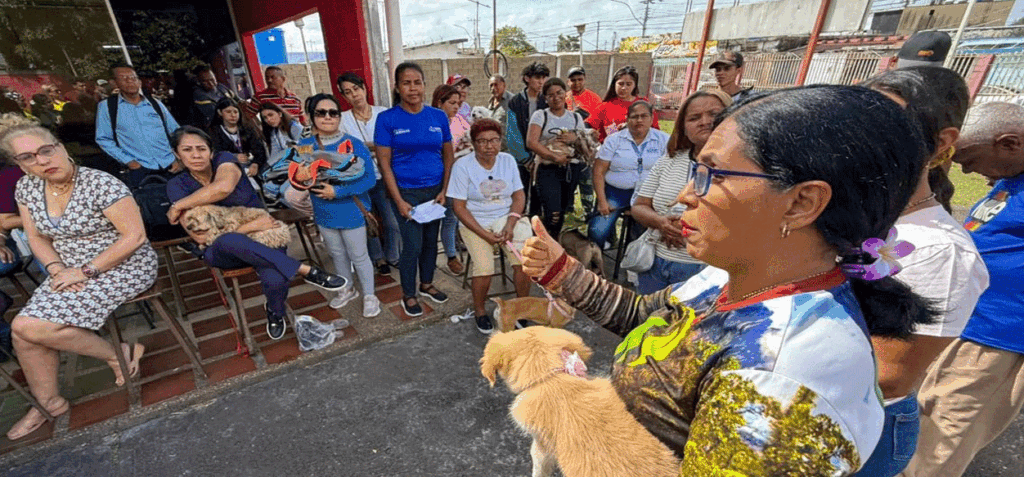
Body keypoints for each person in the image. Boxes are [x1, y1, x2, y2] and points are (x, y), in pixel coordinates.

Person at [519, 85, 939, 475]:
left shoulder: (779, 384)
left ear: (801, 202)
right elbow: (645, 314)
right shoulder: (737, 275)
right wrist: (562, 270)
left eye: (713, 175)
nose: (685, 195)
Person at [855, 67, 989, 477]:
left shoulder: (942, 252)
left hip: (862, 425)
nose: (861, 139)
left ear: (941, 144)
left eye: (886, 125)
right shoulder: (852, 215)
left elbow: (890, 377)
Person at [2, 124, 158, 441]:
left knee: (30, 326)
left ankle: (117, 354)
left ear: (60, 147)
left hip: (123, 263)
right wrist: (57, 268)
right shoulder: (27, 187)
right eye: (28, 157)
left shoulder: (100, 183)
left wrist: (86, 271)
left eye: (46, 150)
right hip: (67, 268)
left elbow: (134, 237)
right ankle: (49, 402)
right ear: (20, 164)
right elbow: (36, 237)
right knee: (23, 332)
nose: (41, 160)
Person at [900, 102, 1024, 477]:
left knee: (941, 441)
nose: (967, 171)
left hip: (995, 338)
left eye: (970, 159)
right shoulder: (1011, 179)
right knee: (921, 420)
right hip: (963, 322)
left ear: (1009, 143)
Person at [165, 126, 347, 341]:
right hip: (225, 249)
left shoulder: (225, 161)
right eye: (187, 150)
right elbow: (201, 237)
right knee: (230, 240)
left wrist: (178, 206)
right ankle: (304, 270)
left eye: (201, 149)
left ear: (211, 151)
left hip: (265, 234)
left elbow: (224, 187)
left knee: (276, 279)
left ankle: (275, 312)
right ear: (177, 153)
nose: (196, 155)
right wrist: (249, 227)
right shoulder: (176, 186)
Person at [631, 90, 731, 294]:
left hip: (707, 270)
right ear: (683, 127)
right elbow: (639, 207)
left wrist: (685, 227)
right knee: (647, 313)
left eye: (714, 114)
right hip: (655, 263)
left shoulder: (743, 166)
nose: (705, 122)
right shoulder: (669, 160)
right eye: (694, 118)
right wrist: (661, 222)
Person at [375, 62, 454, 318]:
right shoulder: (387, 119)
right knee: (412, 245)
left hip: (435, 191)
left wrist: (445, 190)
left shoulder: (438, 116)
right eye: (406, 83)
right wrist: (398, 200)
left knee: (431, 242)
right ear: (397, 87)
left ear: (424, 85)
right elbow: (384, 163)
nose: (413, 88)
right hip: (406, 193)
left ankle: (427, 283)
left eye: (417, 82)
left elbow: (448, 155)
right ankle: (408, 293)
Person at [299, 93, 380, 317]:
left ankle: (370, 295)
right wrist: (302, 179)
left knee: (359, 255)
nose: (327, 117)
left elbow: (369, 179)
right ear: (312, 116)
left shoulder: (354, 144)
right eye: (321, 112)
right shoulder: (304, 145)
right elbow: (299, 173)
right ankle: (347, 289)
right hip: (323, 212)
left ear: (339, 116)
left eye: (333, 112)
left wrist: (338, 191)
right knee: (337, 254)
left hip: (351, 210)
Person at [447, 118, 531, 334]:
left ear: (501, 141)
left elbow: (519, 196)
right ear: (473, 143)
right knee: (484, 268)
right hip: (475, 222)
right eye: (482, 141)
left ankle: (521, 308)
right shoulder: (462, 166)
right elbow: (459, 207)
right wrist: (484, 234)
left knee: (524, 263)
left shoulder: (508, 160)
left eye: (494, 140)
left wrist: (511, 223)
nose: (489, 146)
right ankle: (480, 311)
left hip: (506, 218)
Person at [337, 72, 400, 276]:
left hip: (385, 176)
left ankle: (393, 255)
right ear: (344, 97)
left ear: (364, 88)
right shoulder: (343, 120)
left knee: (392, 222)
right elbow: (346, 150)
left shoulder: (383, 113)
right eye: (348, 92)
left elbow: (394, 143)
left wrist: (365, 147)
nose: (354, 95)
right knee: (368, 220)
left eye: (356, 89)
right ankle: (378, 258)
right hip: (359, 179)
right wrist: (377, 146)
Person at [588, 101, 668, 249]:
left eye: (644, 116)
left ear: (652, 118)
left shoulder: (664, 140)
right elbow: (598, 172)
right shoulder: (614, 140)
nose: (639, 120)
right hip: (616, 193)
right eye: (634, 116)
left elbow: (670, 171)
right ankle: (599, 257)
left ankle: (632, 259)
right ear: (627, 119)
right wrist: (602, 201)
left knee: (641, 238)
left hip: (648, 194)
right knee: (596, 231)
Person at [95, 65, 182, 189]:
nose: (130, 81)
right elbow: (103, 139)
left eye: (133, 78)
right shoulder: (108, 107)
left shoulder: (155, 103)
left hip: (170, 165)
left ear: (139, 82)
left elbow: (176, 132)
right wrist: (129, 161)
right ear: (114, 83)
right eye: (124, 78)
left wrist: (178, 158)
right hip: (140, 169)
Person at [525, 78, 588, 237]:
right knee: (552, 212)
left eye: (559, 93)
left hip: (570, 169)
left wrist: (574, 139)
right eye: (551, 95)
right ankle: (544, 241)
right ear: (545, 98)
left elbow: (585, 145)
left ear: (565, 94)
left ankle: (553, 243)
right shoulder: (541, 115)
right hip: (548, 169)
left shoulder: (575, 117)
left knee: (562, 210)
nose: (556, 97)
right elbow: (531, 142)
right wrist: (553, 156)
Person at [432, 85, 468, 276]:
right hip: (434, 177)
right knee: (431, 222)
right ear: (440, 103)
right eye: (452, 103)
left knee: (450, 218)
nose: (456, 107)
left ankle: (451, 256)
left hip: (456, 176)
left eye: (458, 103)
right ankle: (429, 259)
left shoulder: (458, 120)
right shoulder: (432, 123)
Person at [508, 62, 550, 210]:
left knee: (539, 195)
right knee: (520, 194)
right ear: (527, 78)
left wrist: (542, 153)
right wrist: (525, 159)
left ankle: (536, 219)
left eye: (544, 78)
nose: (541, 82)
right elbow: (512, 134)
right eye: (537, 77)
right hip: (521, 159)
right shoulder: (515, 101)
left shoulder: (546, 100)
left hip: (543, 156)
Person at [586, 65, 660, 143]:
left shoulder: (644, 105)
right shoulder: (605, 106)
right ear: (614, 84)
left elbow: (655, 131)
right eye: (621, 84)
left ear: (634, 85)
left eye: (628, 84)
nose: (624, 88)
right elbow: (587, 125)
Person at [208, 97, 267, 179]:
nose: (233, 115)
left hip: (251, 167)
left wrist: (256, 164)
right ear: (220, 112)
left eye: (235, 112)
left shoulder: (247, 128)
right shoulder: (213, 132)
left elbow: (259, 149)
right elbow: (215, 154)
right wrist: (233, 157)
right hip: (229, 170)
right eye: (228, 112)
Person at [189, 65, 237, 130]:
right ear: (198, 82)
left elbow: (236, 99)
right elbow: (217, 114)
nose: (211, 83)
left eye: (212, 79)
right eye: (205, 81)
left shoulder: (220, 87)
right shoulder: (199, 95)